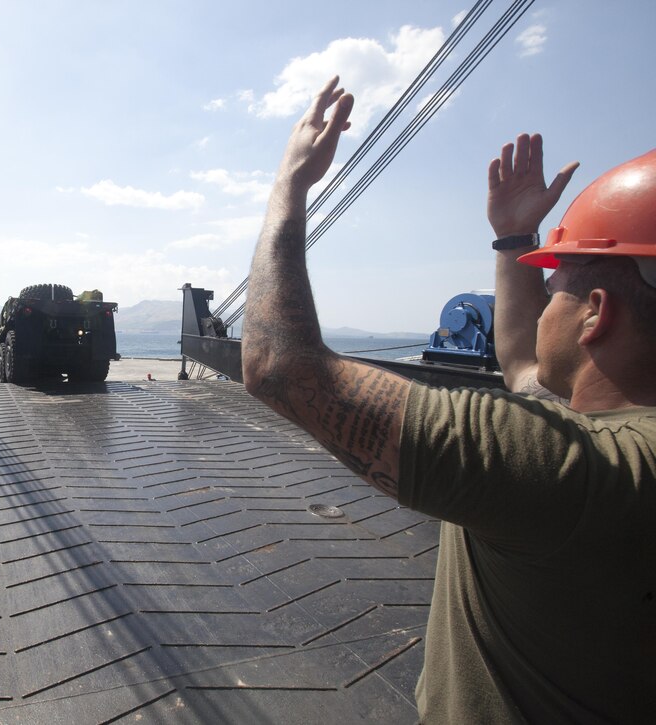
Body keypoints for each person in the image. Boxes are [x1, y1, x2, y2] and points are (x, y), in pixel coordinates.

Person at [242, 76, 655, 723]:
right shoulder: (615, 450)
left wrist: (288, 185)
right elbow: (523, 365)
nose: (540, 296)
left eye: (555, 282)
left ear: (595, 314)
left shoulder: (565, 472)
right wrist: (515, 240)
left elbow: (278, 366)